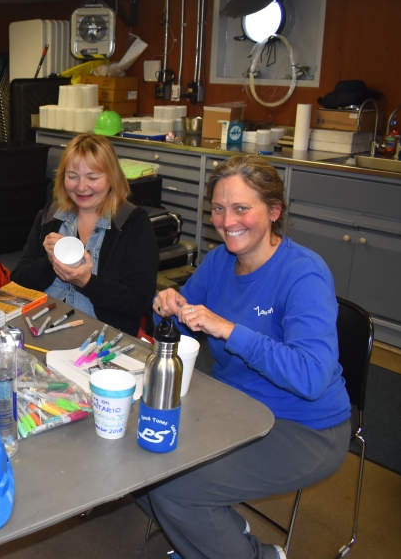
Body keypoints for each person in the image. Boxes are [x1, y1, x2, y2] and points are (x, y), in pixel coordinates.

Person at [136, 156, 351, 559]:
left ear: (273, 211)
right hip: (235, 407)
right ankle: (222, 533)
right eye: (219, 208)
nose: (226, 220)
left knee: (172, 488)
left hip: (304, 427)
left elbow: (312, 376)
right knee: (141, 457)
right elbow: (188, 327)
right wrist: (168, 305)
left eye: (241, 208)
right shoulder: (220, 261)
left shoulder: (304, 273)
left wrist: (230, 330)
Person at [10, 134, 158, 334]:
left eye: (93, 177)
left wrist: (87, 283)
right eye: (72, 176)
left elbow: (137, 302)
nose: (81, 187)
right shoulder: (50, 217)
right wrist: (49, 261)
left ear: (112, 177)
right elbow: (19, 281)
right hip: (40, 325)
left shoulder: (132, 224)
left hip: (99, 337)